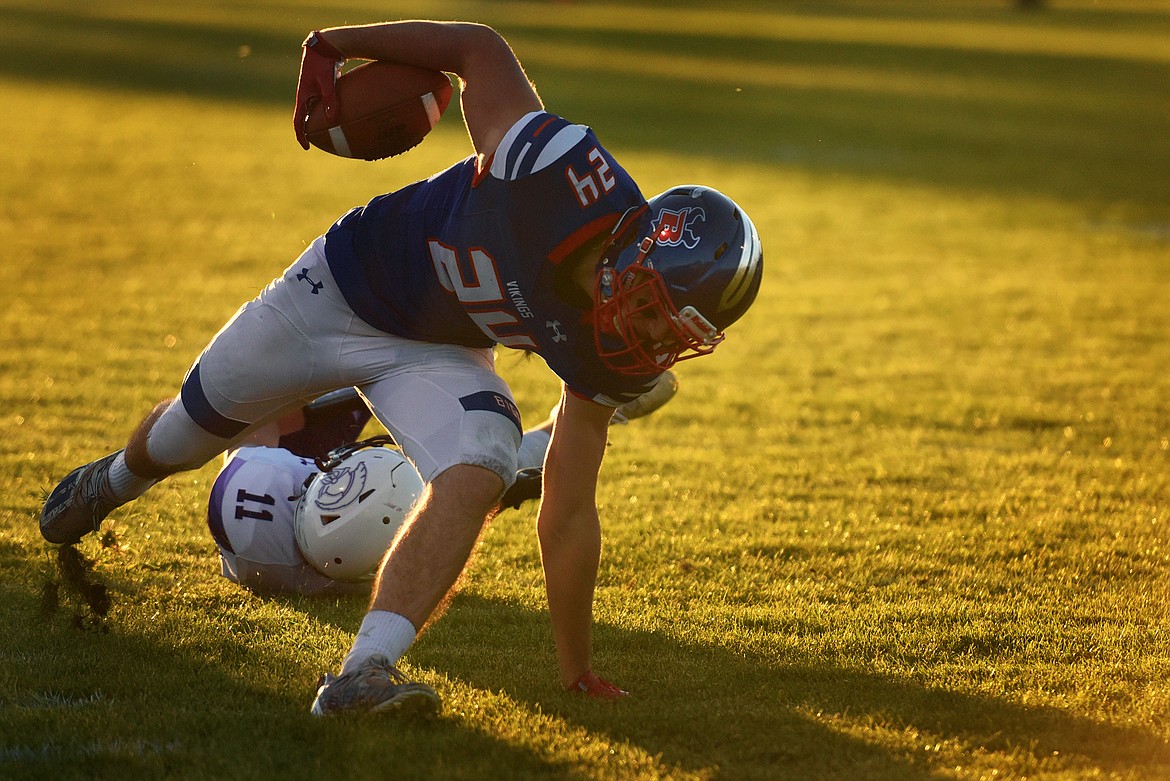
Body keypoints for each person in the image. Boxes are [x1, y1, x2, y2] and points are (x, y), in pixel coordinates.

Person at [40, 20, 763, 716]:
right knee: (179, 440)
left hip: (439, 347)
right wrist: (333, 44)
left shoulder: (616, 352)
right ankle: (109, 482)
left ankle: (364, 673)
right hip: (340, 288)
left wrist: (577, 670)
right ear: (637, 250)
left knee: (484, 460)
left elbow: (568, 514)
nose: (647, 339)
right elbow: (477, 49)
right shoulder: (557, 168)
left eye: (673, 334)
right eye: (650, 310)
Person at [207, 379, 677, 597]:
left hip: (284, 483)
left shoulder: (261, 470)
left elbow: (256, 415)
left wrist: (316, 388)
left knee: (318, 383)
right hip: (298, 507)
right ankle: (590, 414)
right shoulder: (329, 569)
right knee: (467, 480)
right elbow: (431, 534)